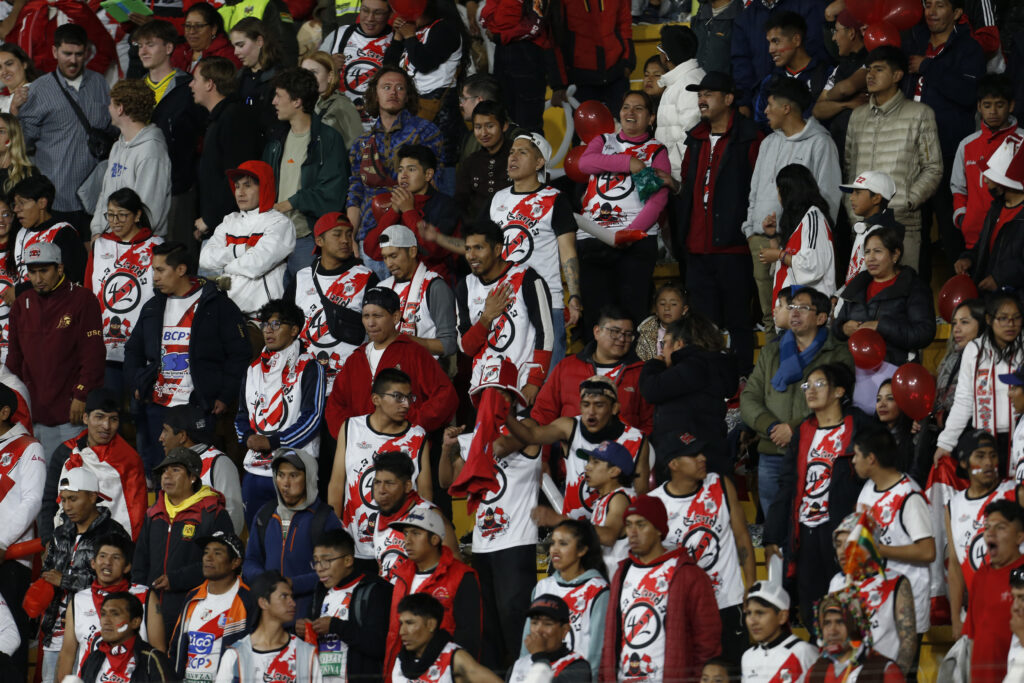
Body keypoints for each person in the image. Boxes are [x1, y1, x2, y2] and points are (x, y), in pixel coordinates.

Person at [124, 241, 251, 476]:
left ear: (181, 270)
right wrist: (137, 383)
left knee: (196, 474)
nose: (155, 277)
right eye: (153, 270)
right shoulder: (152, 307)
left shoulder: (218, 305)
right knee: (160, 472)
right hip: (157, 406)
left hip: (198, 407)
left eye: (160, 270)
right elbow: (133, 350)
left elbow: (239, 354)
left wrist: (224, 395)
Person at [764, 363, 870, 628]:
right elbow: (788, 483)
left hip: (841, 532)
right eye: (807, 385)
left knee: (846, 609)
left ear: (839, 391)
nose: (810, 390)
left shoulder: (858, 427)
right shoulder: (803, 432)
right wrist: (773, 534)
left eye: (819, 384)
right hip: (806, 532)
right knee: (813, 610)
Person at [671, 71, 762, 370]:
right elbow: (687, 186)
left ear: (728, 99)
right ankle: (709, 387)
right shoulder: (695, 138)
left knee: (738, 323)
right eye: (699, 94)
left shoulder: (751, 137)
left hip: (734, 249)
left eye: (708, 93)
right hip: (697, 249)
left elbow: (758, 189)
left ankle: (741, 385)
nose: (701, 99)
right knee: (703, 327)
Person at [740, 287, 854, 518]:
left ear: (822, 318)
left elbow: (837, 403)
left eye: (803, 308)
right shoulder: (771, 351)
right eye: (791, 307)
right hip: (772, 452)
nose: (794, 313)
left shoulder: (837, 354)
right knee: (774, 525)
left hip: (815, 453)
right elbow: (749, 396)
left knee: (812, 520)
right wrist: (771, 426)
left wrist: (793, 429)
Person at [743, 78, 841, 336]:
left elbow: (829, 198)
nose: (765, 110)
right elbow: (754, 190)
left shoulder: (821, 143)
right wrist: (751, 229)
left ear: (787, 108)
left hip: (799, 244)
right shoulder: (768, 143)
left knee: (798, 321)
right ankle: (773, 370)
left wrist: (794, 241)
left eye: (771, 104)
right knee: (771, 318)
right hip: (764, 240)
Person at [649, 433, 755, 666]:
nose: (702, 458)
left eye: (701, 452)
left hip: (728, 602)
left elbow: (742, 538)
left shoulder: (720, 484)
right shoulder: (654, 504)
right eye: (693, 455)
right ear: (673, 464)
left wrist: (750, 587)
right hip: (684, 609)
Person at [599, 495, 721, 681]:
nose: (632, 532)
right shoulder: (621, 573)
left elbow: (707, 641)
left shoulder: (688, 574)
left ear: (658, 530)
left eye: (641, 525)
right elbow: (610, 637)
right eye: (629, 524)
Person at [902, 0, 986, 267]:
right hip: (909, 152)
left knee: (951, 233)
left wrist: (928, 67)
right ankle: (919, 303)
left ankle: (962, 302)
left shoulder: (969, 48)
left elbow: (969, 94)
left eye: (940, 5)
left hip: (946, 150)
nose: (931, 11)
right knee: (914, 233)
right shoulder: (914, 43)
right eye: (928, 5)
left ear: (958, 13)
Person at [844, 46, 943, 271]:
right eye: (869, 70)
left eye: (878, 70)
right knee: (863, 299)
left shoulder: (920, 114)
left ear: (897, 75)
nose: (870, 75)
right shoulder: (857, 116)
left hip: (902, 225)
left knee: (899, 298)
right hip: (862, 226)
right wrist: (853, 213)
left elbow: (933, 168)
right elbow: (849, 170)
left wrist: (907, 201)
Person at [578, 91, 669, 333]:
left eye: (638, 108)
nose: (630, 112)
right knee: (596, 318)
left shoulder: (656, 151)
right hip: (594, 238)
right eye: (626, 107)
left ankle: (632, 369)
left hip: (636, 241)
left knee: (632, 315)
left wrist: (629, 233)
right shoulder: (603, 140)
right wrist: (628, 163)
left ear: (651, 118)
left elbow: (657, 200)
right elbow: (584, 164)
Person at [6, 242, 103, 459]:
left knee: (67, 483)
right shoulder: (22, 303)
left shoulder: (83, 300)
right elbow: (14, 359)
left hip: (69, 414)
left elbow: (93, 355)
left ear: (59, 268)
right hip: (31, 414)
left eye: (44, 271)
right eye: (32, 272)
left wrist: (81, 394)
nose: (38, 279)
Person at [328, 369, 431, 570]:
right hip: (355, 547)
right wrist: (335, 534)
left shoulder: (418, 437)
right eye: (398, 397)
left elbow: (425, 496)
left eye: (409, 397)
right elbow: (337, 484)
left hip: (401, 550)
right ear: (376, 399)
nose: (406, 404)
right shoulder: (351, 428)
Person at [487, 133, 579, 356]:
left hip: (546, 301)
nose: (513, 157)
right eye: (511, 152)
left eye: (522, 152)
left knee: (546, 376)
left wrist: (574, 295)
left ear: (539, 163)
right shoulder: (498, 198)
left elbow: (568, 251)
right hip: (504, 300)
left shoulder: (555, 198)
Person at [506, 376, 648, 518]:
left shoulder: (636, 439)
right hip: (574, 534)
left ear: (614, 408)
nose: (591, 412)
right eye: (586, 405)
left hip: (616, 531)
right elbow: (530, 436)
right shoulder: (569, 427)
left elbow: (640, 497)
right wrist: (503, 413)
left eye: (599, 405)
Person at [16, 24, 113, 232]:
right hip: (56, 198)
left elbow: (110, 129)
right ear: (54, 52)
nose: (73, 60)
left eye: (79, 54)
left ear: (87, 52)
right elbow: (23, 143)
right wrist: (15, 111)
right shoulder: (38, 90)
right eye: (67, 53)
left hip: (95, 198)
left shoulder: (100, 84)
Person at [38, 468, 131, 683]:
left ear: (92, 497)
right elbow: (47, 571)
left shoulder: (113, 533)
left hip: (95, 631)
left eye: (73, 499)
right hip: (56, 632)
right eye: (63, 500)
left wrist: (65, 580)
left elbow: (120, 582)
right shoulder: (60, 533)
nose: (67, 506)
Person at [324, 286, 457, 437]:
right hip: (362, 449)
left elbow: (445, 396)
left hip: (405, 450)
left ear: (395, 317)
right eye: (366, 316)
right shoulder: (355, 359)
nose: (370, 323)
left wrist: (413, 425)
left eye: (377, 316)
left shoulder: (414, 352)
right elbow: (335, 405)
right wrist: (351, 433)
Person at [236, 301, 326, 522]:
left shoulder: (310, 367)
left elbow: (312, 419)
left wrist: (273, 442)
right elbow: (240, 415)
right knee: (257, 542)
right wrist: (248, 438)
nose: (268, 329)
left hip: (295, 470)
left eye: (276, 324)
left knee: (294, 541)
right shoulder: (253, 368)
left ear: (294, 330)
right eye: (265, 323)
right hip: (255, 471)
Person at [347, 67, 442, 273]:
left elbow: (434, 185)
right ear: (375, 94)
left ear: (408, 95)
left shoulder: (425, 132)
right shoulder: (362, 143)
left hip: (408, 235)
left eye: (400, 88)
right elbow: (355, 194)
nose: (393, 92)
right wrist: (351, 236)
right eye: (386, 87)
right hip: (370, 237)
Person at [134, 447, 234, 635]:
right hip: (152, 613)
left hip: (196, 613)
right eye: (164, 471)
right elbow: (140, 563)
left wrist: (176, 579)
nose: (167, 476)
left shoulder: (213, 514)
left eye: (175, 470)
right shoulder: (154, 514)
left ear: (193, 477)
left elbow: (223, 564)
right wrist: (139, 600)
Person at [852, 429, 935, 656]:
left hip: (907, 600)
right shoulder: (868, 490)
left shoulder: (909, 495)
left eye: (856, 454)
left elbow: (928, 551)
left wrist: (879, 550)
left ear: (871, 459)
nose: (853, 460)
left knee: (901, 673)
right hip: (877, 597)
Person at [454, 221, 554, 403]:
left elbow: (545, 333)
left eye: (479, 248)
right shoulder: (465, 287)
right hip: (484, 386)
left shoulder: (527, 278)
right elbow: (466, 348)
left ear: (498, 249)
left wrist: (535, 382)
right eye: (468, 249)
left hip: (523, 382)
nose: (471, 255)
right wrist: (487, 317)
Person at [263, 68, 349, 280]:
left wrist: (291, 202)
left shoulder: (328, 140)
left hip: (308, 240)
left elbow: (332, 193)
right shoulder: (276, 140)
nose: (273, 101)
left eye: (279, 96)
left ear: (297, 102)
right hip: (274, 239)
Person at [244, 449, 343, 620]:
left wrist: (292, 584)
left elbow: (335, 571)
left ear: (309, 477)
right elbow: (250, 560)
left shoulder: (324, 518)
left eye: (294, 475)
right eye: (281, 475)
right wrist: (266, 581)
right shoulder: (265, 514)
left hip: (308, 618)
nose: (285, 483)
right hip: (270, 618)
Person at [39, 388, 147, 543]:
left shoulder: (129, 460)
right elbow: (50, 501)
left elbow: (136, 516)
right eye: (99, 417)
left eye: (113, 419)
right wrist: (48, 541)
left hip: (110, 551)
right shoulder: (65, 452)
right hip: (65, 547)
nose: (106, 426)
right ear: (85, 418)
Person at [134, 19, 207, 245]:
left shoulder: (188, 88)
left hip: (178, 186)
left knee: (177, 252)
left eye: (150, 44)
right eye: (140, 45)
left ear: (168, 48)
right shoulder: (134, 89)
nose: (143, 51)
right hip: (140, 185)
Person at [384, 506, 482, 673]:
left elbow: (469, 637)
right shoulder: (400, 576)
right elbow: (394, 634)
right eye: (406, 533)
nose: (407, 540)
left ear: (435, 539)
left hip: (442, 673)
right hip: (403, 672)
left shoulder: (462, 576)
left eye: (416, 533)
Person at [55, 534, 165, 681]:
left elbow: (159, 651)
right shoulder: (78, 601)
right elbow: (68, 653)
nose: (107, 562)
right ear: (93, 563)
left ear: (127, 567)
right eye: (102, 556)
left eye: (116, 558)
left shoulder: (145, 596)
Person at [639, 314, 738, 474]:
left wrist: (654, 365)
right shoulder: (708, 365)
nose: (662, 350)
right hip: (702, 454)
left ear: (679, 344)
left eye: (665, 343)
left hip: (689, 457)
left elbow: (652, 389)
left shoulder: (694, 365)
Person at [289, 212, 377, 393]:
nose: (345, 240)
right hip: (306, 383)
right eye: (337, 234)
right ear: (319, 241)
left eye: (348, 234)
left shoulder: (366, 276)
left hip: (352, 382)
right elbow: (286, 324)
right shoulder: (301, 278)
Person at [935, 293, 1024, 471]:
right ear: (989, 319)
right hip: (985, 439)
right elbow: (964, 401)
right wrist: (945, 443)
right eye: (1003, 318)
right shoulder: (974, 350)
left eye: (1016, 318)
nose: (1010, 324)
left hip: (1020, 436)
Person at [532, 305, 653, 436]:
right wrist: (543, 456)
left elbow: (650, 423)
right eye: (615, 332)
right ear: (597, 332)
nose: (622, 339)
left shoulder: (641, 372)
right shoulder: (567, 367)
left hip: (623, 452)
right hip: (570, 453)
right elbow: (543, 414)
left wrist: (634, 451)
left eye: (628, 334)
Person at [87, 188, 163, 395]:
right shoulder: (100, 245)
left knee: (139, 410)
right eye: (110, 214)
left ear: (137, 215)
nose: (115, 221)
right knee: (109, 403)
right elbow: (88, 291)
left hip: (142, 346)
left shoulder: (155, 246)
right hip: (105, 346)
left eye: (122, 214)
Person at [199, 161, 295, 322]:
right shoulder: (229, 221)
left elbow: (255, 266)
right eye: (237, 186)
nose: (240, 193)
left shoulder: (280, 223)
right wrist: (241, 250)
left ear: (263, 187)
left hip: (263, 316)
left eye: (247, 186)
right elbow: (205, 259)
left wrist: (224, 264)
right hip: (228, 311)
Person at [944, 430, 1018, 638]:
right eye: (980, 456)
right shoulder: (953, 506)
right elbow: (955, 567)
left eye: (992, 455)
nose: (988, 462)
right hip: (977, 616)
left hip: (1014, 611)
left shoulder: (1013, 493)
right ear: (965, 462)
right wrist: (955, 618)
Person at [828, 513, 918, 674]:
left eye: (850, 544)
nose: (842, 551)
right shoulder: (836, 582)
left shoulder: (895, 581)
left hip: (881, 674)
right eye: (838, 544)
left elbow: (908, 640)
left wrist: (895, 676)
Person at [833, 225, 937, 365]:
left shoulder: (912, 286)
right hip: (855, 368)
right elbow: (837, 326)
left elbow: (924, 333)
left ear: (895, 255)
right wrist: (844, 328)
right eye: (867, 252)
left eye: (877, 251)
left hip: (894, 369)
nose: (871, 258)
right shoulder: (858, 284)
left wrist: (881, 326)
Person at [298, 529, 392, 682]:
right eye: (316, 561)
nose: (319, 568)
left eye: (326, 560)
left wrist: (337, 627)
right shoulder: (320, 591)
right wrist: (303, 630)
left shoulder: (375, 590)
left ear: (348, 560)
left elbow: (379, 645)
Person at [522, 520, 608, 678]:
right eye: (553, 543)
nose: (554, 549)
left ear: (582, 550)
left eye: (563, 543)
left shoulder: (598, 589)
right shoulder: (542, 587)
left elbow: (597, 649)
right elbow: (528, 641)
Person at [363, 145, 461, 284]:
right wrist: (394, 211)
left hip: (437, 282)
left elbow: (433, 250)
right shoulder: (397, 205)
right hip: (402, 284)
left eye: (411, 169)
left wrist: (409, 212)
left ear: (428, 175)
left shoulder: (446, 205)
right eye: (400, 170)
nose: (403, 175)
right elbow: (372, 250)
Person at [190, 57, 264, 242]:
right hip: (219, 227)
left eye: (195, 80)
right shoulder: (220, 118)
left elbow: (238, 174)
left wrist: (210, 218)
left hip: (231, 232)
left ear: (209, 84)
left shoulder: (233, 118)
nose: (191, 85)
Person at [168, 531, 256, 682]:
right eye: (206, 552)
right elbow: (176, 647)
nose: (208, 558)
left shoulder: (248, 599)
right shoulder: (192, 597)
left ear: (235, 562)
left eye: (217, 553)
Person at [88, 80, 171, 239]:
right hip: (111, 242)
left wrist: (122, 240)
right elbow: (105, 195)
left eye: (111, 104)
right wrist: (98, 231)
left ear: (120, 109)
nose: (108, 108)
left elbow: (149, 207)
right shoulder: (118, 146)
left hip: (138, 246)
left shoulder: (151, 150)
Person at [0, 381, 43, 680]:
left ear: (4, 412)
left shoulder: (29, 447)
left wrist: (0, 542)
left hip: (10, 560)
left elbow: (32, 501)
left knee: (9, 644)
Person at [951, 75, 1022, 250]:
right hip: (974, 237)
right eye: (987, 105)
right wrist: (963, 219)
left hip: (1014, 240)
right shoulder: (967, 145)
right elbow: (958, 187)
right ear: (979, 107)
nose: (993, 111)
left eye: (999, 105)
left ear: (1011, 106)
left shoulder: (1022, 140)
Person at [214, 570, 321, 683]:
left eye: (292, 596)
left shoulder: (306, 653)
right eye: (284, 596)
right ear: (263, 602)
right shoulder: (235, 655)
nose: (293, 603)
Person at [730, 0, 828, 117]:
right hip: (762, 105)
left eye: (775, 41)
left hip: (809, 97)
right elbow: (741, 65)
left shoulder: (809, 5)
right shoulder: (745, 19)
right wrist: (743, 103)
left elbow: (815, 53)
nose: (771, 49)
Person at [159, 404, 244, 534]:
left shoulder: (219, 463)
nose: (161, 438)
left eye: (165, 431)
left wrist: (217, 550)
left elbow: (233, 514)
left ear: (182, 436)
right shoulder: (168, 466)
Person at [964, 500, 1024, 682]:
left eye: (1000, 528)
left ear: (1019, 537)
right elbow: (974, 637)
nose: (990, 532)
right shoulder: (981, 575)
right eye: (988, 526)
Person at [758, 163, 836, 303]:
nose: (778, 198)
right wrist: (772, 236)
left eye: (779, 191)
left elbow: (812, 266)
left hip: (810, 311)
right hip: (792, 311)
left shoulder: (814, 218)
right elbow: (787, 265)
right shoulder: (797, 221)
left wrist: (779, 255)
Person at [954, 137, 1024, 291]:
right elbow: (982, 247)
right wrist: (968, 259)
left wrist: (1000, 279)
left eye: (990, 176)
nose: (985, 181)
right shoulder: (996, 208)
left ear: (1006, 182)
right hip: (990, 300)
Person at [479, 0, 559, 135]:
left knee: (529, 127)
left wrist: (502, 35)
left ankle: (535, 155)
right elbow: (487, 19)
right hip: (502, 53)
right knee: (505, 123)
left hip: (529, 56)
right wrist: (501, 31)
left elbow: (534, 24)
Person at [377, 225, 457, 358]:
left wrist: (404, 341)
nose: (389, 263)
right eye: (385, 258)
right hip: (390, 370)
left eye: (393, 256)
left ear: (412, 251)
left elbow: (448, 344)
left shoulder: (435, 286)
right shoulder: (382, 287)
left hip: (426, 370)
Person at [318, 0, 396, 130]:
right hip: (338, 125)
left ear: (390, 14)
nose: (370, 18)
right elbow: (309, 76)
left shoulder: (397, 40)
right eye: (365, 10)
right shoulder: (340, 34)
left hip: (379, 129)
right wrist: (327, 66)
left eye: (378, 13)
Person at [391, 593, 501, 683]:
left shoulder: (454, 658)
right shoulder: (401, 660)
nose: (402, 632)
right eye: (401, 624)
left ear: (431, 624)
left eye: (410, 623)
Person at [750, 13, 831, 130]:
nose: (770, 49)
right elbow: (761, 122)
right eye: (769, 43)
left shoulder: (827, 75)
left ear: (796, 40)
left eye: (776, 41)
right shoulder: (769, 82)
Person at [551, 0, 633, 113]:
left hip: (616, 73)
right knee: (587, 129)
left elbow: (624, 24)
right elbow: (555, 37)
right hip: (580, 80)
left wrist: (628, 62)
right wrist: (558, 84)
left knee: (623, 128)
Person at [808, 591, 905, 682]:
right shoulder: (815, 672)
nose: (832, 631)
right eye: (827, 623)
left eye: (840, 622)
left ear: (855, 627)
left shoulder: (884, 671)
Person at [77, 592, 174, 683]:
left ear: (135, 622)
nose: (106, 621)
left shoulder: (152, 659)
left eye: (115, 614)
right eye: (103, 614)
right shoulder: (93, 658)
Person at [811, 10, 869, 159]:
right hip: (839, 148)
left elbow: (845, 88)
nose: (834, 37)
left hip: (865, 148)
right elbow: (817, 110)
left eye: (836, 31)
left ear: (851, 33)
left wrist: (831, 98)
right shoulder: (840, 68)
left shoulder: (873, 61)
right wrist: (846, 104)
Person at [10, 174, 87, 283]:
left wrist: (20, 291)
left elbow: (72, 280)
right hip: (26, 299)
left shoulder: (64, 233)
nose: (16, 209)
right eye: (15, 204)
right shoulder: (20, 233)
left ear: (42, 203)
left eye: (21, 203)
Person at [837, 170, 905, 291]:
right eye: (852, 192)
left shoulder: (880, 233)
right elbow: (855, 275)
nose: (851, 198)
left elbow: (865, 279)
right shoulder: (866, 227)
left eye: (858, 193)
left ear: (876, 198)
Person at [740, 579, 818, 680]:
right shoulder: (747, 657)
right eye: (749, 613)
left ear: (782, 616)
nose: (752, 621)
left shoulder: (803, 652)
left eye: (760, 613)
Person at [454, 101, 514, 225]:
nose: (483, 133)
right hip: (480, 230)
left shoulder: (517, 156)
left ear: (504, 126)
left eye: (490, 126)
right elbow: (460, 203)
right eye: (478, 127)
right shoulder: (470, 163)